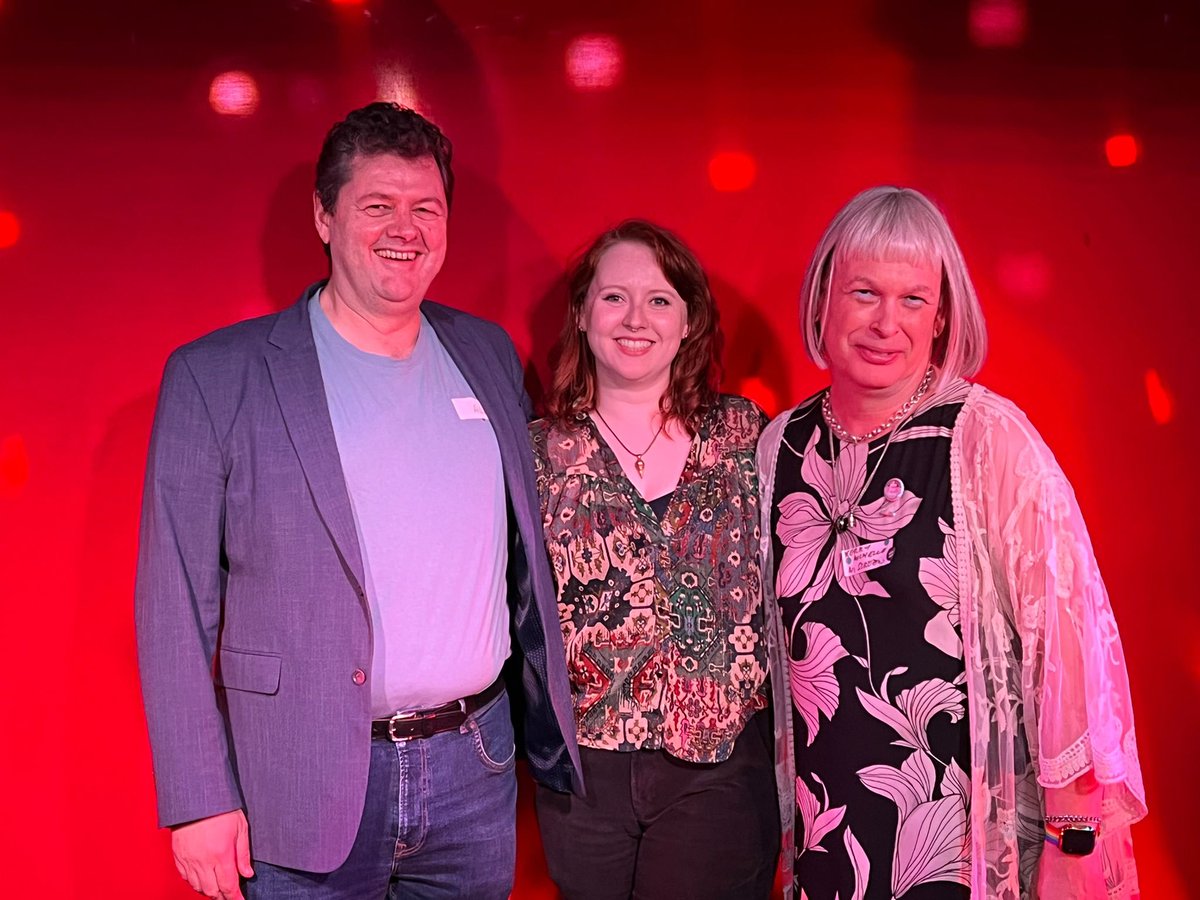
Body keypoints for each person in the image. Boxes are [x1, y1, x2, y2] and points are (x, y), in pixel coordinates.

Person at [134, 101, 581, 900]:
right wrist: (199, 799)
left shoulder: (486, 353)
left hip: (474, 768)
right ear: (324, 216)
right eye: (377, 205)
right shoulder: (216, 377)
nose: (404, 229)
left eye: (425, 208)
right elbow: (173, 605)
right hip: (300, 774)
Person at [757, 186, 1146, 899]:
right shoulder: (778, 449)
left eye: (913, 300)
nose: (885, 322)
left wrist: (1075, 837)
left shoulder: (987, 440)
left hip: (965, 852)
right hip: (827, 841)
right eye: (864, 292)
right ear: (823, 301)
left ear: (941, 318)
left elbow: (1068, 645)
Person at [530, 220, 781, 899]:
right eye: (614, 298)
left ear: (690, 319)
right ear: (582, 315)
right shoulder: (537, 455)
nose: (636, 318)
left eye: (660, 300)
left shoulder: (745, 436)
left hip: (720, 766)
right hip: (587, 775)